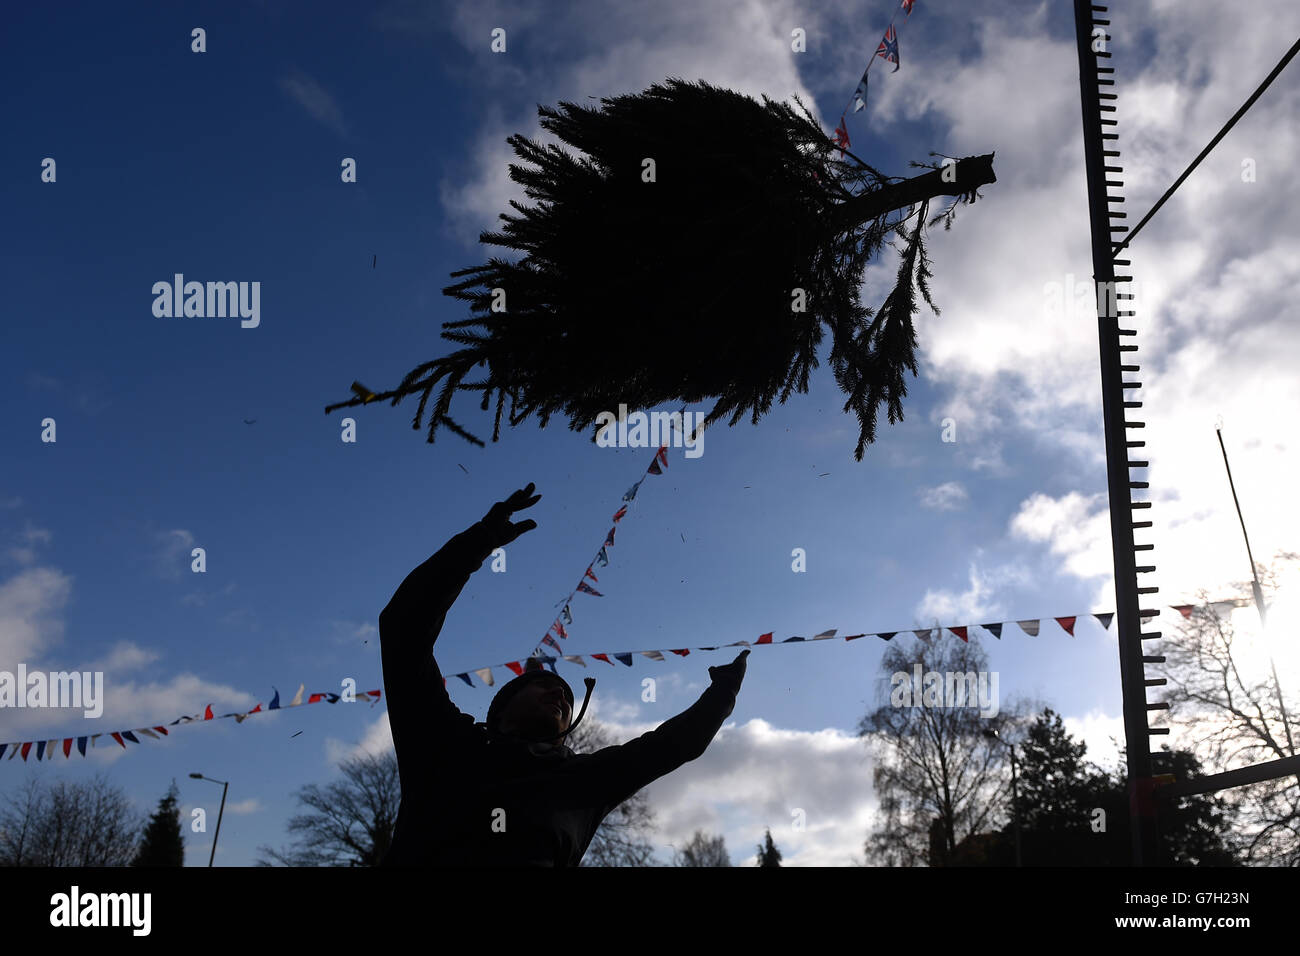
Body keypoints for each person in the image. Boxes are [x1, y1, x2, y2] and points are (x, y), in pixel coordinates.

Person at [378, 482, 750, 866]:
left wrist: (720, 696)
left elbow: (671, 746)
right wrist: (477, 543)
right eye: (544, 685)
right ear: (500, 708)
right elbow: (402, 629)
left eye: (569, 700)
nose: (560, 696)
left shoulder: (585, 782)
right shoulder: (445, 747)